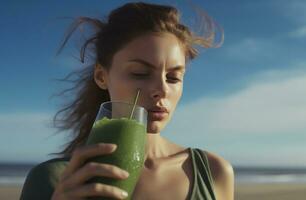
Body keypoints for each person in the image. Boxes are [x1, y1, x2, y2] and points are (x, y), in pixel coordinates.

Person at [21, 2, 234, 200]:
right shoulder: (55, 180)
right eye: (140, 73)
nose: (161, 90)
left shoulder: (215, 172)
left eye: (173, 77)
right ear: (101, 77)